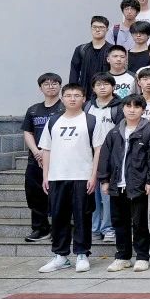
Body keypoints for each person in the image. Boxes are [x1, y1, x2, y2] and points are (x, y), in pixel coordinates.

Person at [36, 84, 107, 274]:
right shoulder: (53, 120)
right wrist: (46, 176)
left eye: (77, 95)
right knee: (59, 216)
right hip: (57, 176)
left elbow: (98, 150)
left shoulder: (91, 120)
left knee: (83, 216)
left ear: (84, 98)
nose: (72, 98)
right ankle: (60, 256)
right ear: (62, 98)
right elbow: (46, 149)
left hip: (82, 176)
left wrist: (94, 176)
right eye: (68, 95)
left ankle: (82, 254)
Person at [97, 94, 150, 272]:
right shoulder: (114, 132)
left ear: (143, 110)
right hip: (117, 185)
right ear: (123, 108)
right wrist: (104, 179)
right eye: (128, 106)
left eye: (136, 107)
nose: (132, 110)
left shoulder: (149, 130)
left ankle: (142, 256)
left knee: (140, 222)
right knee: (119, 222)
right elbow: (105, 157)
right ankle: (122, 256)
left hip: (140, 185)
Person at [23, 73, 65, 243]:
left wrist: (48, 152)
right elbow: (28, 132)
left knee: (59, 195)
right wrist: (36, 151)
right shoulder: (33, 110)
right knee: (35, 194)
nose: (51, 86)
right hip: (36, 161)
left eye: (54, 83)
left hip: (58, 159)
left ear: (60, 86)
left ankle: (59, 228)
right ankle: (40, 228)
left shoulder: (65, 108)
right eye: (46, 84)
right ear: (40, 88)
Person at [70, 17, 111, 89]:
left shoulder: (112, 50)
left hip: (105, 90)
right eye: (94, 27)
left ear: (107, 29)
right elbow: (74, 72)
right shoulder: (81, 49)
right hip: (85, 90)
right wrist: (73, 89)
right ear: (90, 28)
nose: (97, 30)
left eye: (101, 27)